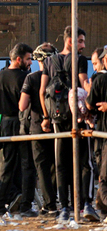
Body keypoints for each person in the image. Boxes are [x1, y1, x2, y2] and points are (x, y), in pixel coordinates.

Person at [39, 26, 95, 222]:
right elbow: (83, 81)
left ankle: (64, 207)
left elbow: (42, 91)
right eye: (80, 41)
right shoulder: (79, 59)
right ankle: (86, 203)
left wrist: (46, 117)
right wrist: (92, 98)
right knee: (85, 162)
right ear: (70, 40)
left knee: (61, 163)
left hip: (56, 117)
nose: (83, 45)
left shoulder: (48, 61)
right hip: (77, 117)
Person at [0, 43, 32, 216]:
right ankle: (25, 203)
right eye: (28, 59)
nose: (30, 62)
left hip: (4, 123)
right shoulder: (26, 77)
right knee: (26, 165)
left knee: (5, 166)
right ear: (18, 59)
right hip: (20, 123)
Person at [19, 43, 59, 217]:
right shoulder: (60, 77)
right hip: (58, 127)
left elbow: (23, 105)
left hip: (37, 126)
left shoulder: (32, 78)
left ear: (37, 59)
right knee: (55, 166)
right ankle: (57, 201)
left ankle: (49, 204)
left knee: (41, 166)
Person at [87, 47, 107, 215]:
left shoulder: (99, 80)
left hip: (104, 133)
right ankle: (102, 207)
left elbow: (90, 104)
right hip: (102, 132)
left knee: (104, 173)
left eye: (96, 63)